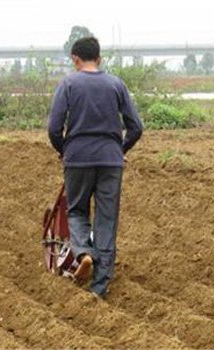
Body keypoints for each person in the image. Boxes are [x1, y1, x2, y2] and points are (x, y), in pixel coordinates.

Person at [48, 37, 143, 298]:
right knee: (106, 219)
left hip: (78, 158)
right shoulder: (116, 84)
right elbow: (136, 127)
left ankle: (83, 253)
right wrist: (118, 150)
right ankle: (99, 288)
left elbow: (54, 127)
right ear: (99, 59)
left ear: (75, 59)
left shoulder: (68, 84)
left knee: (77, 211)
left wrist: (64, 150)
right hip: (110, 161)